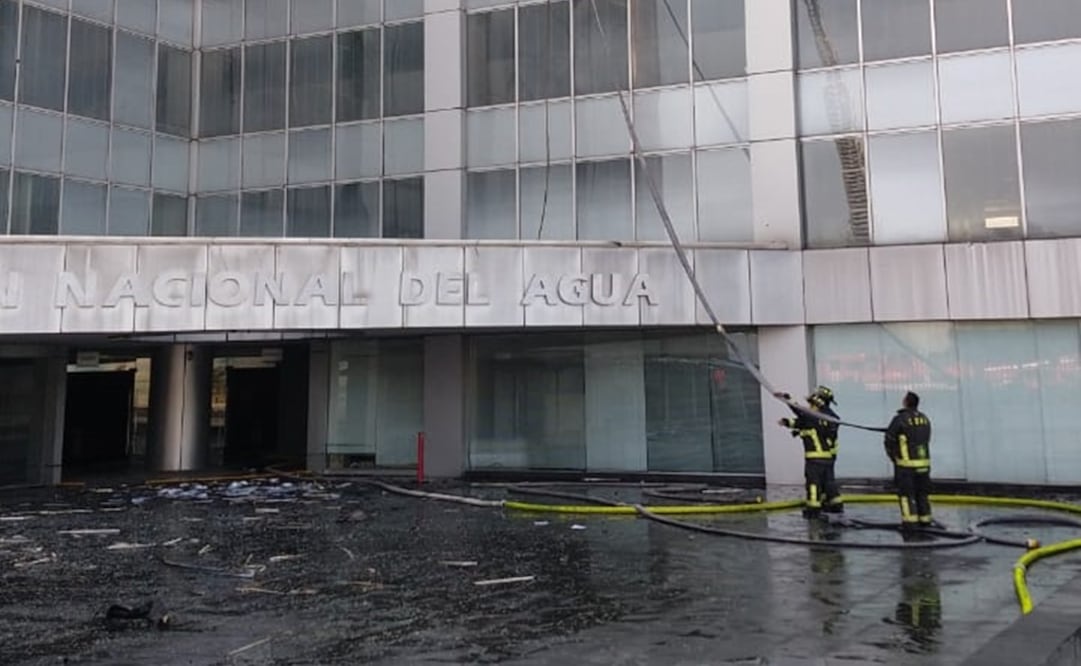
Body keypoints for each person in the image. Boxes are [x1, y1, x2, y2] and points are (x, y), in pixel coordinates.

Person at [776, 386, 843, 518]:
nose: (809, 406)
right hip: (828, 458)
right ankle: (835, 505)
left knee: (813, 483)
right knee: (829, 482)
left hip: (814, 458)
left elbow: (801, 414)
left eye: (811, 403)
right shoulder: (828, 418)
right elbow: (801, 422)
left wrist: (787, 399)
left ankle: (813, 509)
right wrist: (786, 422)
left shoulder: (814, 416)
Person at [884, 391, 933, 528]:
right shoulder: (925, 418)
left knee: (906, 495)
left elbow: (889, 440)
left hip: (906, 467)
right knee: (922, 494)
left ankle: (910, 523)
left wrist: (895, 458)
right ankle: (925, 520)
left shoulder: (900, 419)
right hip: (924, 465)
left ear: (906, 402)